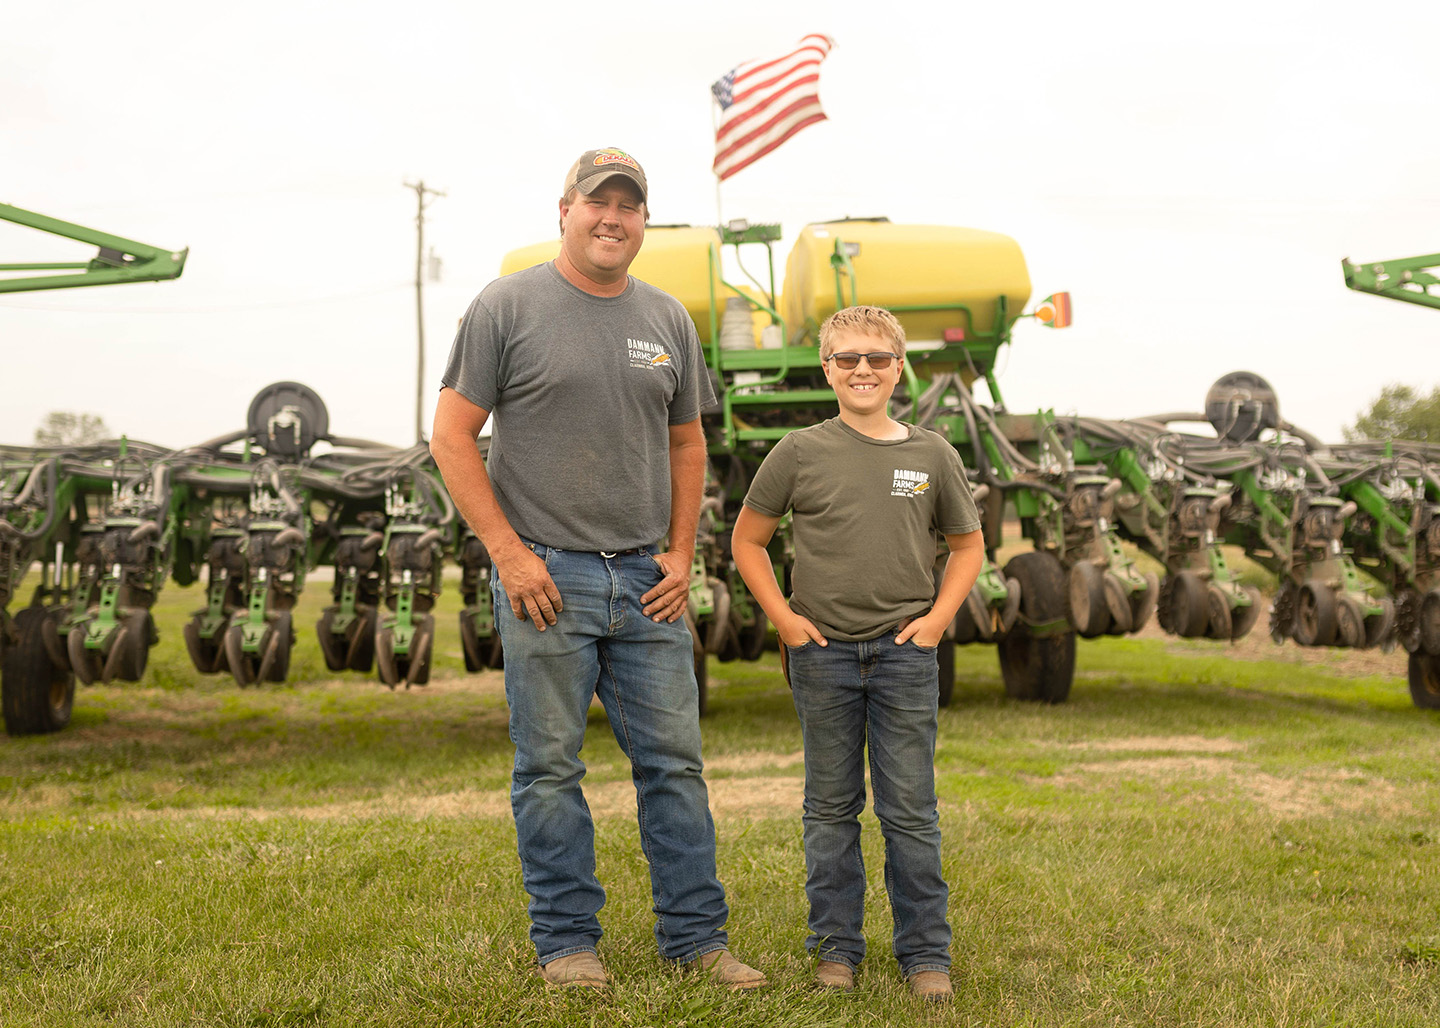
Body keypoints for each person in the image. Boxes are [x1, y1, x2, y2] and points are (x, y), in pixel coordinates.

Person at [429, 147, 764, 992]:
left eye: (629, 206)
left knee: (675, 769)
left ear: (643, 220)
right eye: (597, 203)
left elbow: (689, 444)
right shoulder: (507, 307)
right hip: (548, 581)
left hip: (649, 587)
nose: (613, 218)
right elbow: (450, 436)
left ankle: (696, 939)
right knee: (549, 770)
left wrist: (684, 554)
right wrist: (508, 555)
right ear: (565, 209)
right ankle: (568, 943)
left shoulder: (669, 319)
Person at [730, 305, 984, 1001]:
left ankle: (926, 955)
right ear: (827, 369)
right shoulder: (798, 452)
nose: (863, 369)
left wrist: (935, 621)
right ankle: (836, 950)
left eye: (877, 357)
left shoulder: (932, 454)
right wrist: (783, 619)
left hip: (904, 656)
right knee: (830, 807)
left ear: (899, 367)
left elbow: (967, 547)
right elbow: (747, 541)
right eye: (847, 359)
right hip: (824, 656)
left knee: (910, 808)